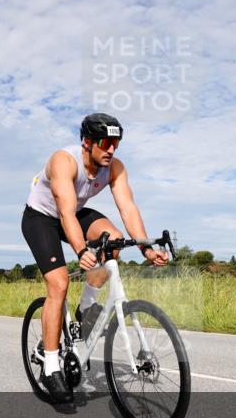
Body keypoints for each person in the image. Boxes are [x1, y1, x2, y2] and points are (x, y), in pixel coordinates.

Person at [21, 113, 168, 403]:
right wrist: (81, 250)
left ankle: (87, 307)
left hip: (75, 213)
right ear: (87, 142)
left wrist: (146, 248)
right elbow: (64, 212)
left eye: (116, 143)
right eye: (105, 143)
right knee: (59, 284)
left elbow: (128, 208)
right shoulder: (64, 161)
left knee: (113, 242)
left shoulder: (115, 167)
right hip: (42, 218)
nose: (111, 149)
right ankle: (50, 364)